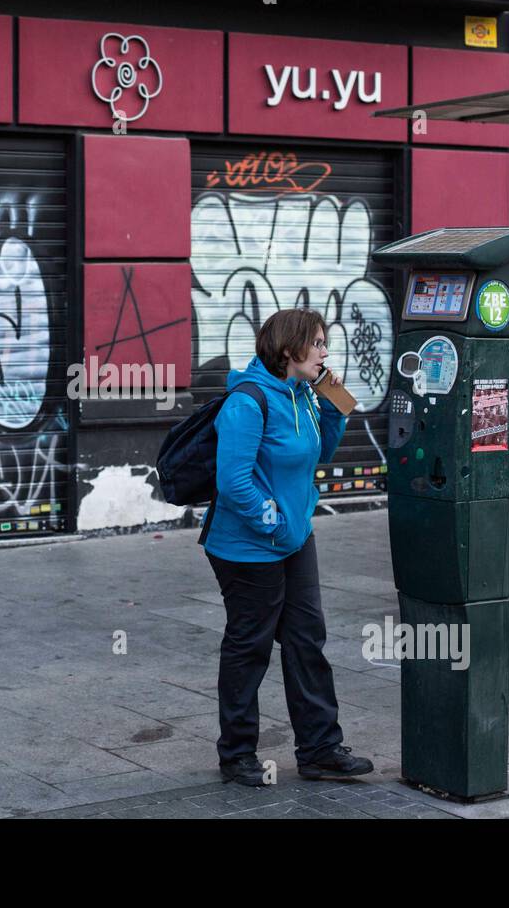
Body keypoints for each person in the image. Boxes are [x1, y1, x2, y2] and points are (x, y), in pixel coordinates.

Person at [201, 308, 374, 787]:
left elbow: (318, 456)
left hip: (294, 539)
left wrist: (335, 406)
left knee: (306, 641)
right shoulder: (248, 401)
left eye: (324, 343)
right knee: (249, 647)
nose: (324, 351)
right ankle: (236, 755)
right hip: (246, 547)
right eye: (316, 343)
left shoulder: (302, 396)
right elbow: (234, 482)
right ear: (287, 350)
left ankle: (320, 749)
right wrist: (272, 522)